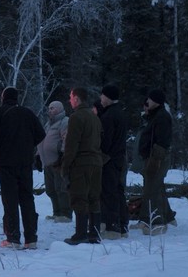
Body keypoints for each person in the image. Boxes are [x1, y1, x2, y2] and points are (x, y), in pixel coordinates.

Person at [0, 87, 45, 249]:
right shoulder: (28, 113)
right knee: (27, 198)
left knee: (10, 199)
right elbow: (41, 134)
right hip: (25, 162)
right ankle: (31, 238)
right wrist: (27, 146)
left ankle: (13, 238)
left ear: (3, 97)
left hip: (5, 162)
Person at [62, 87, 103, 245]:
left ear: (77, 99)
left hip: (81, 164)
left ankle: (80, 234)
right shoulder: (95, 118)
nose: (70, 100)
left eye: (71, 97)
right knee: (94, 197)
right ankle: (94, 233)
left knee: (79, 197)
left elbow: (71, 145)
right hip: (96, 162)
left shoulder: (76, 117)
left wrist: (66, 166)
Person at [132, 88, 176, 235]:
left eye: (149, 99)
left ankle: (157, 222)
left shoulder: (162, 117)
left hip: (157, 158)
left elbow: (162, 141)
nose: (147, 102)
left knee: (153, 190)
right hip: (152, 157)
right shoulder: (155, 115)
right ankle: (166, 217)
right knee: (156, 187)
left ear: (156, 101)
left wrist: (155, 160)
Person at [98, 84, 129, 240]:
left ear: (108, 97)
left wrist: (101, 155)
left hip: (109, 160)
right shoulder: (119, 113)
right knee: (118, 191)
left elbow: (106, 141)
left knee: (109, 193)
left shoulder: (108, 116)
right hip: (119, 159)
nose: (100, 98)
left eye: (102, 96)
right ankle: (123, 225)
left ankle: (112, 227)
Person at [35, 100, 71, 223]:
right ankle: (57, 212)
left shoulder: (64, 122)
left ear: (60, 109)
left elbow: (66, 139)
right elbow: (43, 140)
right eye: (49, 108)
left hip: (58, 162)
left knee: (61, 188)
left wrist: (62, 154)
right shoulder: (48, 124)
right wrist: (38, 156)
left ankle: (66, 213)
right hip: (47, 163)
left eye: (53, 108)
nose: (50, 110)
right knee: (51, 189)